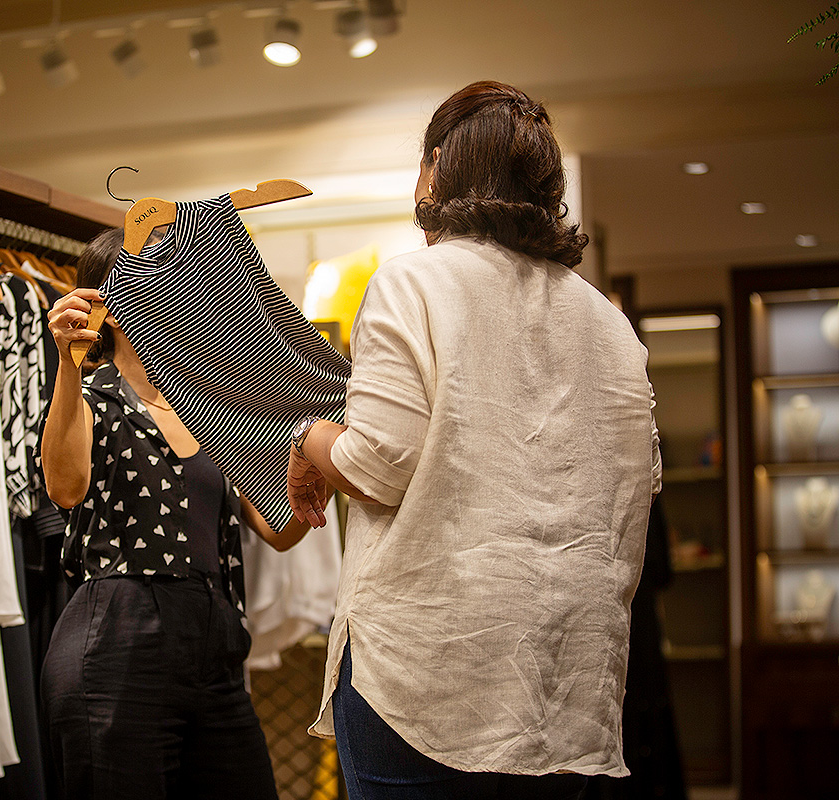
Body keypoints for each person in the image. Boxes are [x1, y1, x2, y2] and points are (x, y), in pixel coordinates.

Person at [285, 81, 662, 800]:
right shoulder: (608, 324)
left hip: (429, 685)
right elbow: (634, 485)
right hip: (565, 688)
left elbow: (377, 464)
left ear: (436, 169)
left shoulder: (413, 284)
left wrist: (308, 439)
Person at [39, 226, 312, 800]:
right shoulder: (91, 398)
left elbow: (279, 530)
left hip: (213, 640)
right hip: (116, 638)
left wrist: (320, 461)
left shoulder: (211, 407)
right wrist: (69, 364)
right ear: (110, 306)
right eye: (152, 281)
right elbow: (65, 488)